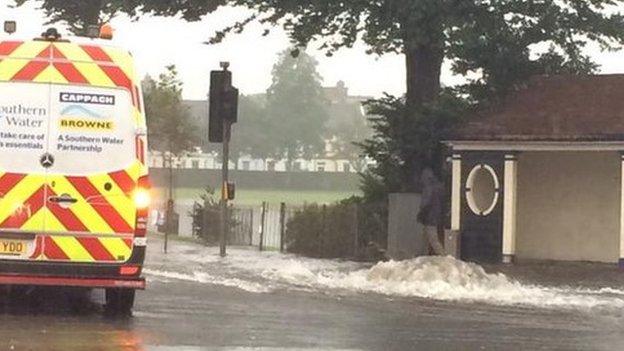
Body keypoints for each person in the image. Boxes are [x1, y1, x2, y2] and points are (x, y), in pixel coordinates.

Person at [417, 168, 446, 256]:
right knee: (425, 237)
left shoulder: (428, 187)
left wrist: (421, 212)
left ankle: (444, 257)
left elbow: (426, 203)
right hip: (436, 215)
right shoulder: (439, 187)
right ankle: (420, 255)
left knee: (433, 239)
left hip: (429, 216)